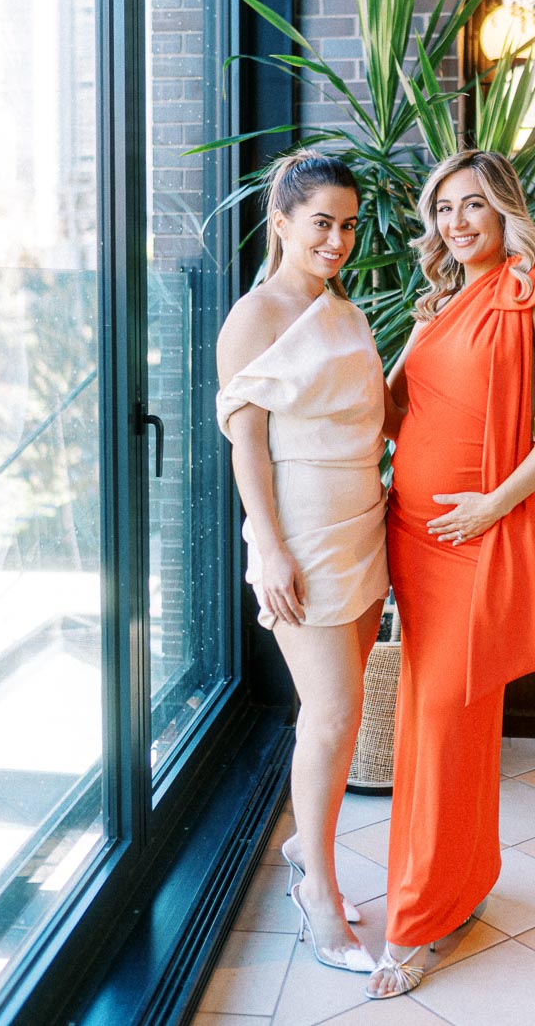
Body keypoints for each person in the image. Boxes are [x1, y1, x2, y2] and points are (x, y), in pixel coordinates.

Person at [367, 149, 535, 999]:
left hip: (479, 536)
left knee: (441, 719)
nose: (457, 223)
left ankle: (418, 919)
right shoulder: (439, 305)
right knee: (445, 723)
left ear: (504, 213)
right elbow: (391, 412)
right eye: (445, 209)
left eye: (474, 207)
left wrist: (493, 505)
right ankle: (460, 881)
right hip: (414, 534)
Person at [217, 150, 393, 974]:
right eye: (322, 222)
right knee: (328, 715)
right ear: (281, 221)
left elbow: (373, 412)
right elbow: (245, 441)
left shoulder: (342, 307)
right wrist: (269, 545)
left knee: (345, 714)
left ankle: (304, 850)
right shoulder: (254, 316)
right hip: (304, 529)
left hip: (364, 519)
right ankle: (316, 890)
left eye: (349, 225)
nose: (338, 239)